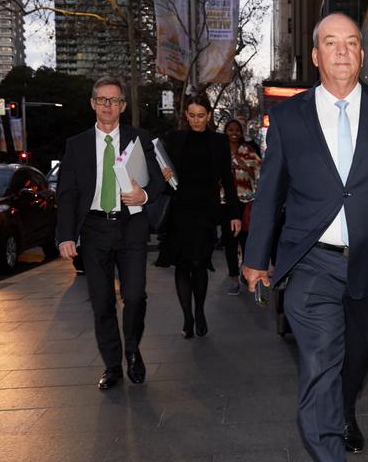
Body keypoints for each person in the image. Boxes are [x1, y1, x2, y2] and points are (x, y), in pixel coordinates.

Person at [242, 13, 368, 460]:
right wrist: (255, 258)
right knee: (318, 361)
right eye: (331, 42)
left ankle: (345, 407)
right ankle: (329, 450)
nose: (342, 50)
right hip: (311, 262)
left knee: (357, 356)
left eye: (351, 42)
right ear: (315, 55)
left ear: (362, 54)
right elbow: (269, 193)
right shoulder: (288, 117)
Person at [56, 75, 164, 390]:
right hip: (93, 230)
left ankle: (132, 347)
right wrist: (65, 235)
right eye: (102, 99)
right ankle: (113, 365)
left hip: (130, 227)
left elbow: (158, 181)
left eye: (114, 100)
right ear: (92, 103)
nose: (107, 105)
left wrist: (142, 196)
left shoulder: (140, 138)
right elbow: (67, 193)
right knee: (101, 302)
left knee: (134, 295)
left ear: (122, 106)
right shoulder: (76, 145)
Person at [157, 93, 241, 338]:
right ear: (186, 115)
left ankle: (201, 311)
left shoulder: (218, 142)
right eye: (192, 115)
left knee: (199, 263)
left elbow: (228, 179)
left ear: (209, 115)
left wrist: (234, 214)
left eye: (201, 116)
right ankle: (187, 317)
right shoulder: (174, 139)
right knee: (182, 265)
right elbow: (164, 175)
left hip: (206, 211)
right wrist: (164, 175)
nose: (196, 120)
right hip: (180, 210)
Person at [220, 119, 262, 295]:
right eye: (230, 129)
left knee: (245, 241)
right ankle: (233, 279)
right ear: (226, 131)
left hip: (245, 202)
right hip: (225, 203)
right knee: (229, 242)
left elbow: (261, 173)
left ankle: (245, 272)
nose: (234, 132)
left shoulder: (248, 151)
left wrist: (245, 167)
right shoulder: (220, 151)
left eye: (237, 129)